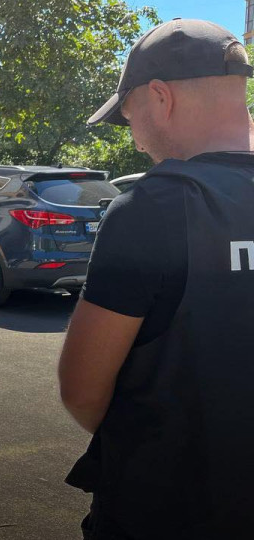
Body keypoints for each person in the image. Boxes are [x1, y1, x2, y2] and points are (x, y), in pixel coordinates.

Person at [58, 19, 254, 539]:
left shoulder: (151, 210)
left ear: (161, 97)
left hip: (163, 510)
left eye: (129, 117)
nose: (137, 140)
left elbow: (81, 389)